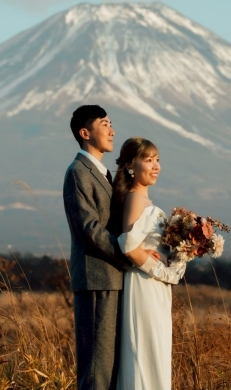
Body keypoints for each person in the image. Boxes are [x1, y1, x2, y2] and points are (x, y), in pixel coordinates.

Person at [62, 106, 161, 390]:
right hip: (97, 280)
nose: (112, 131)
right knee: (97, 371)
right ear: (85, 133)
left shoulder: (104, 174)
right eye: (104, 125)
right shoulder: (78, 173)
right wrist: (130, 257)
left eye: (111, 124)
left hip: (115, 279)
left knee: (114, 370)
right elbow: (88, 229)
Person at [114, 137, 186, 390]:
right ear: (132, 166)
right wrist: (164, 273)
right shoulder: (135, 199)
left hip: (155, 287)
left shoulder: (144, 201)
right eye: (148, 160)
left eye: (157, 160)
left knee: (155, 351)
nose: (156, 166)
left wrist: (186, 248)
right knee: (146, 353)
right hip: (144, 285)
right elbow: (129, 246)